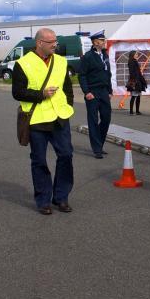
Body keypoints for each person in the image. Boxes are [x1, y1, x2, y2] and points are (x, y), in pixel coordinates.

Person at [13, 28, 75, 215]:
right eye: (51, 42)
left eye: (56, 41)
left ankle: (61, 197)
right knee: (39, 161)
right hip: (37, 120)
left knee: (66, 156)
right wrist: (41, 94)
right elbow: (17, 92)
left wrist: (68, 106)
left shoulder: (61, 61)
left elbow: (67, 88)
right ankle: (43, 200)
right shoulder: (23, 64)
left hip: (59, 118)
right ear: (39, 43)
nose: (55, 45)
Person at [78, 30, 112, 159]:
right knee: (93, 120)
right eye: (102, 40)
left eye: (104, 40)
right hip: (92, 92)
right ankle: (97, 148)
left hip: (104, 91)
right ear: (95, 42)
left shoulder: (104, 55)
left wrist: (110, 90)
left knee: (106, 118)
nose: (104, 42)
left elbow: (108, 74)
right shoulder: (88, 57)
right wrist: (87, 92)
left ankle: (100, 144)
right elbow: (82, 75)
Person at [126, 50, 147, 115]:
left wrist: (142, 80)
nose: (137, 55)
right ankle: (131, 111)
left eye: (137, 54)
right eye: (136, 54)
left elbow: (138, 72)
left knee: (138, 96)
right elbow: (132, 73)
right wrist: (135, 80)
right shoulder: (132, 62)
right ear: (133, 55)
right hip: (135, 81)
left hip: (138, 80)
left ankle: (137, 111)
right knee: (134, 96)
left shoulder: (134, 61)